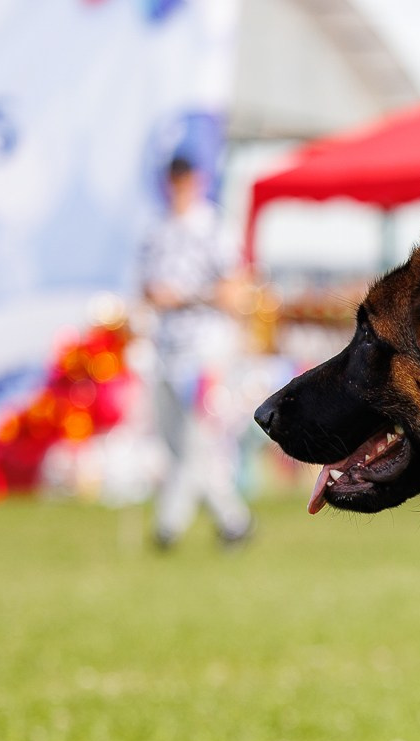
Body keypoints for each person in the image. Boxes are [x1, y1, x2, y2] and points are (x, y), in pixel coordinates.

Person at [139, 155, 252, 550]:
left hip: (205, 349)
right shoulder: (157, 229)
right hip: (165, 348)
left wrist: (183, 296)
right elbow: (145, 287)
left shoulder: (215, 227)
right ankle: (233, 521)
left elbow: (234, 290)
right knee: (174, 443)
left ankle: (169, 526)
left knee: (195, 440)